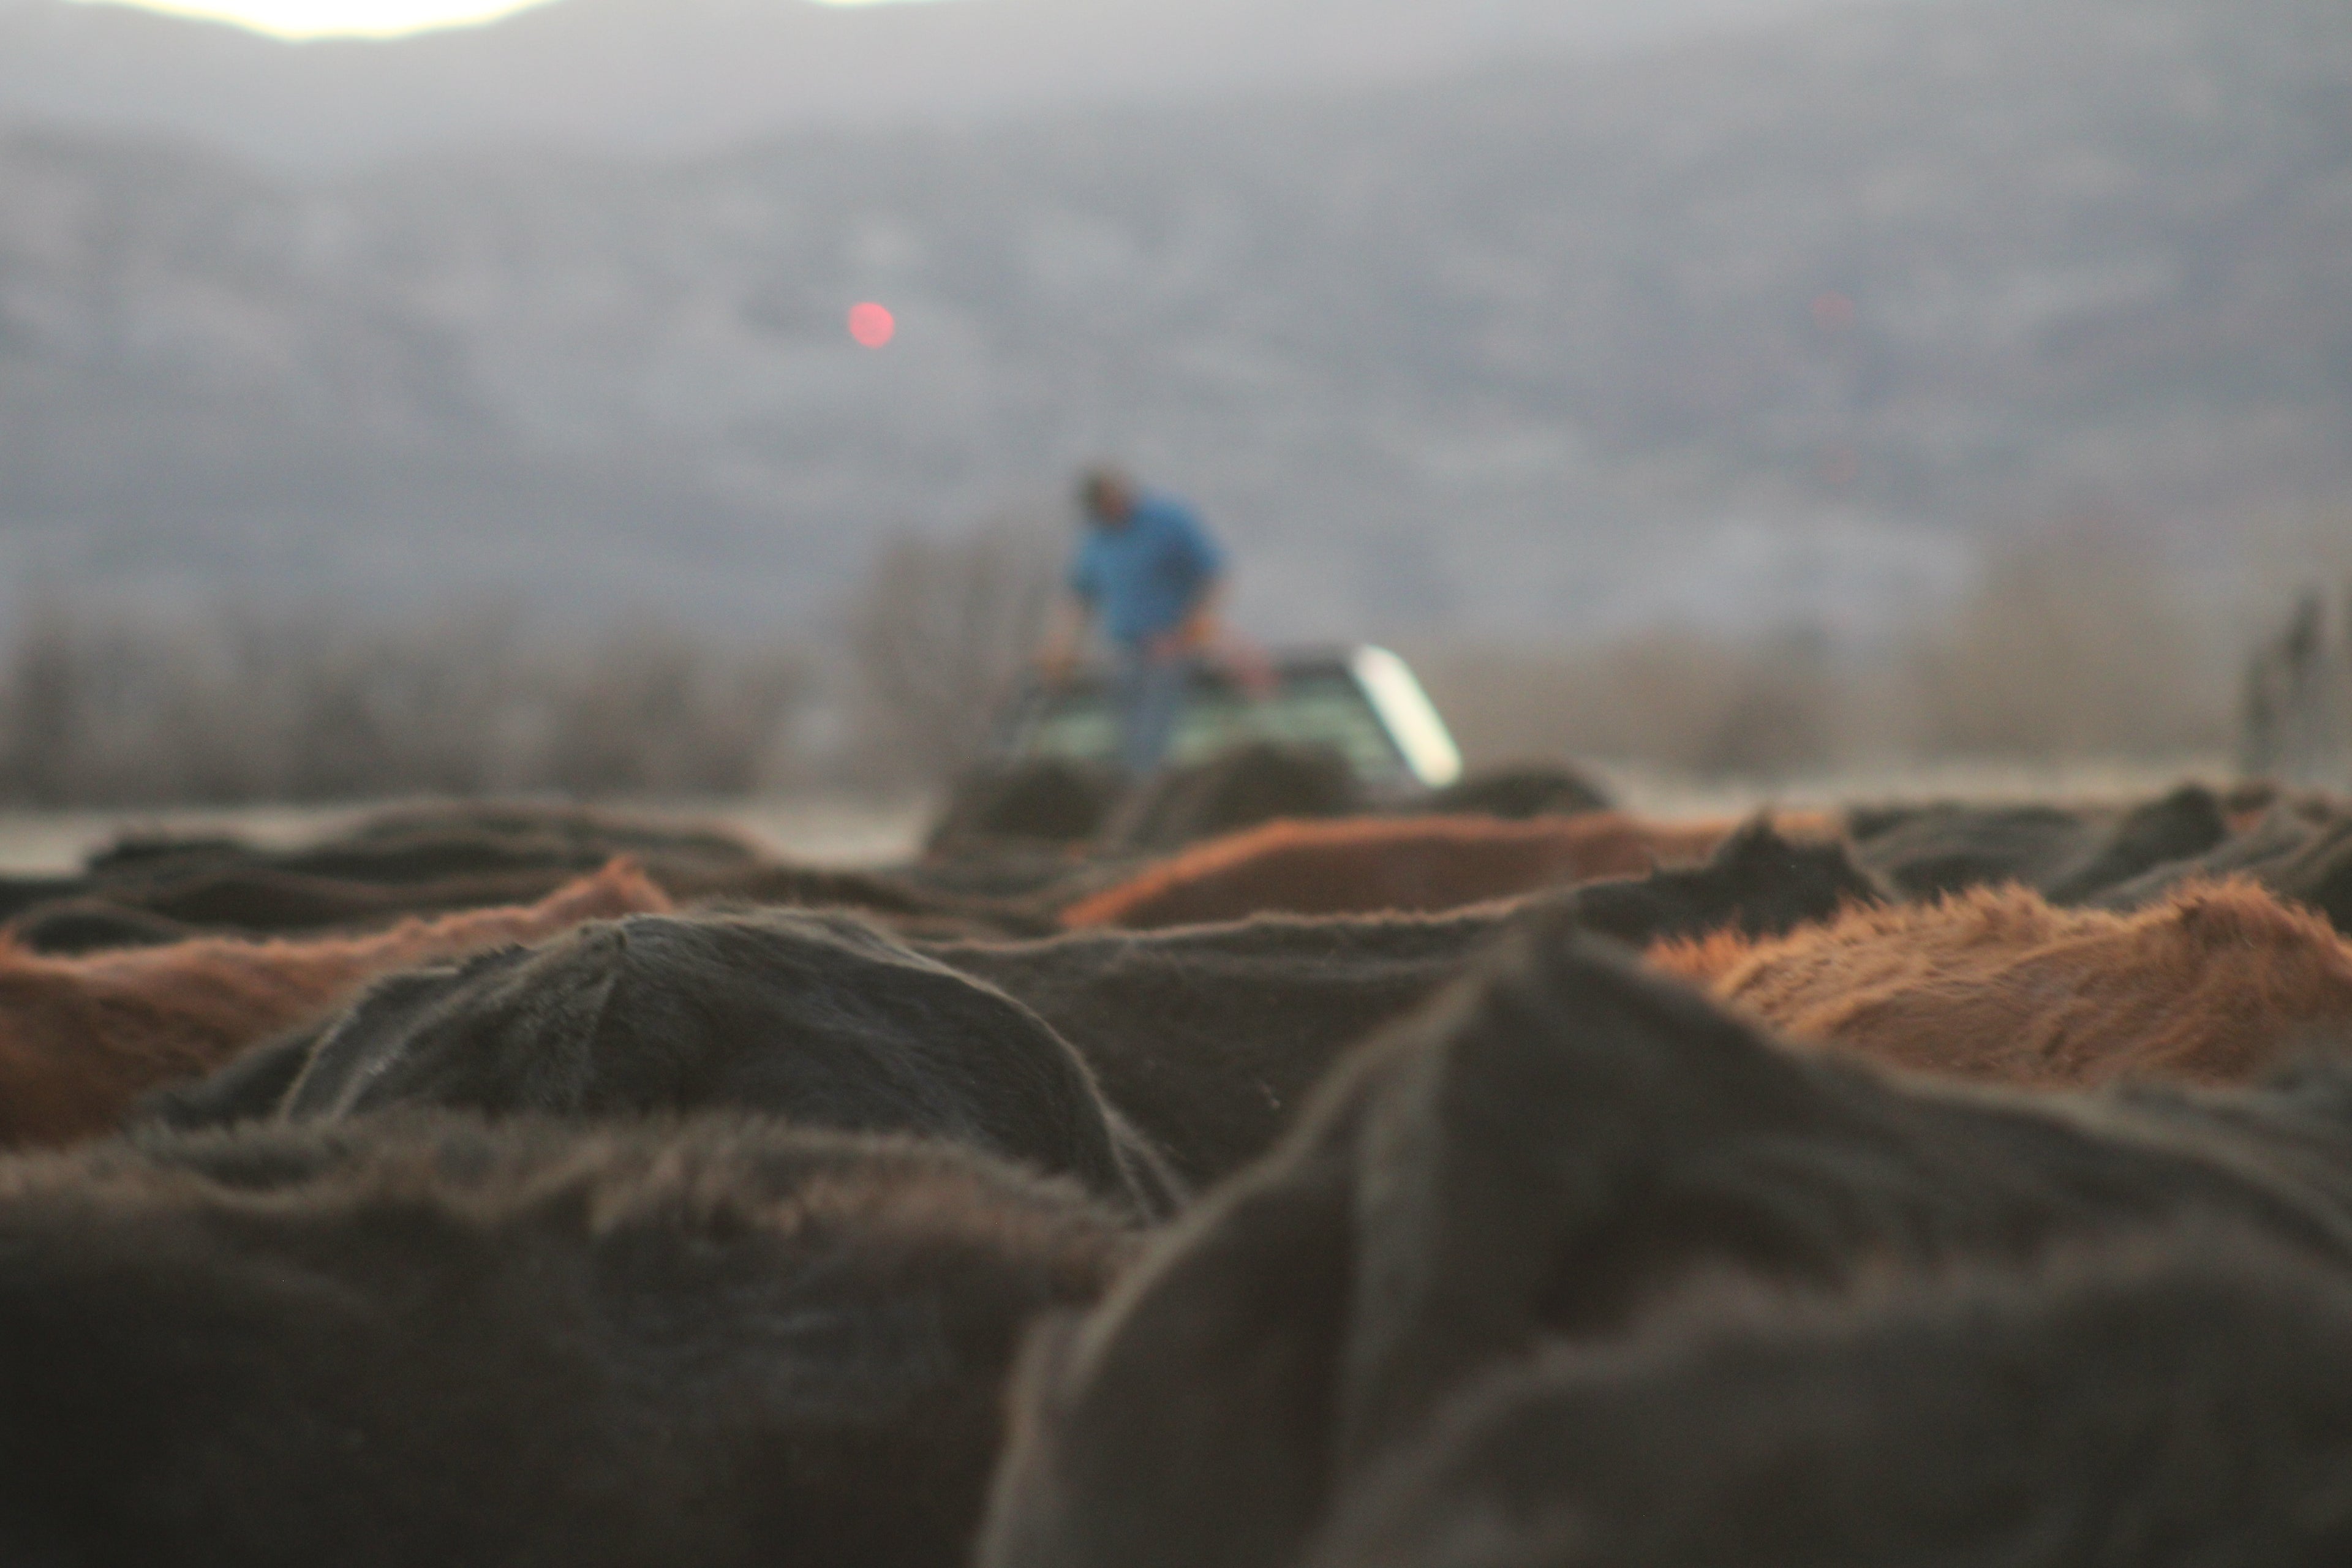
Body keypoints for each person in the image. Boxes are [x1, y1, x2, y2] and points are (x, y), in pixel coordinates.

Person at [1039, 467, 1229, 778]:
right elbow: (1079, 597)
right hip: (1126, 648)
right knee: (1123, 727)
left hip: (1171, 645)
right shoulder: (1098, 539)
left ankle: (1150, 785)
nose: (1106, 510)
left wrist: (1192, 628)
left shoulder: (1169, 522)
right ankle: (1127, 785)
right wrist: (1060, 647)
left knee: (1152, 728)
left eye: (1107, 500)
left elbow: (1214, 573)